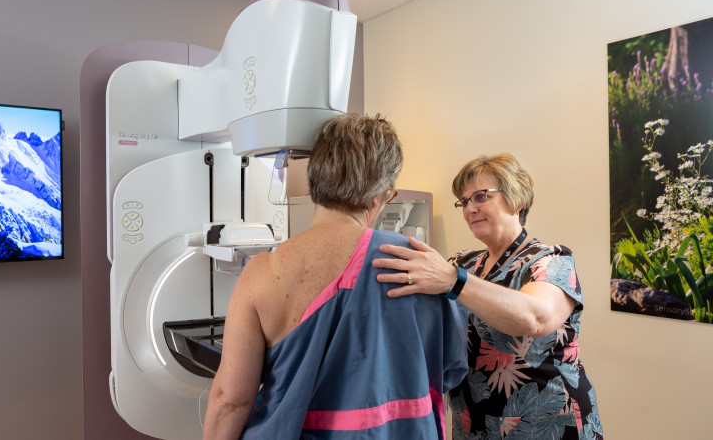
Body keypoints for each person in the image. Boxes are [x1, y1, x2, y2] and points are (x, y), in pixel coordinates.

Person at [203, 113, 468, 439]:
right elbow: (449, 370)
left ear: (316, 182)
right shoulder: (421, 266)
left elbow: (230, 399)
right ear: (379, 195)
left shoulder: (263, 274)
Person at [373, 153, 604, 440]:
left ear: (517, 200)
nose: (470, 208)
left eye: (481, 196)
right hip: (475, 422)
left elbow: (536, 317)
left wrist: (452, 281)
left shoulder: (550, 260)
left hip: (547, 424)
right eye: (464, 201)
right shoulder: (462, 263)